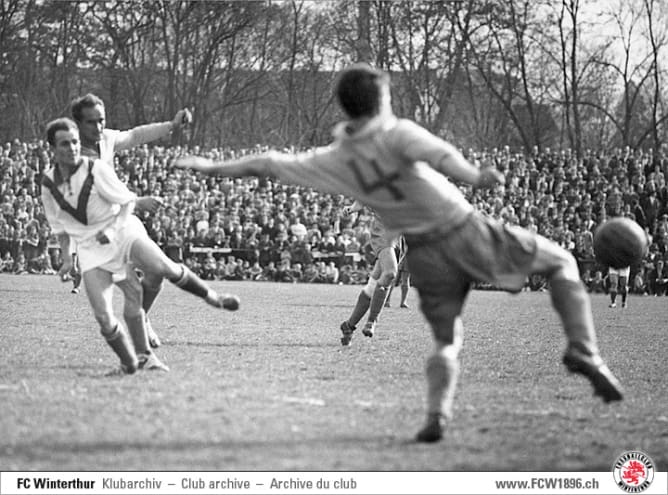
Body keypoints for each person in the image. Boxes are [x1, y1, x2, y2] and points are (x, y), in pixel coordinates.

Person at [175, 63, 623, 443]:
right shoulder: (397, 132)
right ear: (382, 99)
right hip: (463, 229)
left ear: (345, 107)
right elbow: (443, 156)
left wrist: (212, 167)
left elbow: (268, 163)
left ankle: (436, 416)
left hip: (425, 255)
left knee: (448, 339)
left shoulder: (333, 159)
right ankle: (583, 350)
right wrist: (475, 174)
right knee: (562, 262)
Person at [41, 118, 239, 374]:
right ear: (53, 149)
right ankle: (133, 361)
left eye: (75, 142)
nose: (72, 148)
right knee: (104, 316)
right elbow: (59, 226)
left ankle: (213, 298)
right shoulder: (48, 183)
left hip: (121, 230)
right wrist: (68, 259)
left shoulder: (95, 168)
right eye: (65, 144)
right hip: (92, 249)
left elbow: (127, 202)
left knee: (160, 267)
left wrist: (112, 230)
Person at [70, 93, 192, 348]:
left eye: (101, 120)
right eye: (91, 122)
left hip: (122, 221)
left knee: (156, 273)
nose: (98, 127)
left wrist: (171, 125)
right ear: (78, 124)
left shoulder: (105, 139)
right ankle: (137, 342)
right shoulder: (72, 157)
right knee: (133, 286)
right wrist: (138, 201)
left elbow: (135, 135)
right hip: (99, 233)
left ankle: (142, 317)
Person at [339, 201, 404, 345]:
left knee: (373, 286)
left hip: (400, 235)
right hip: (383, 230)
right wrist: (352, 209)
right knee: (390, 273)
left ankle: (348, 326)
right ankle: (372, 321)